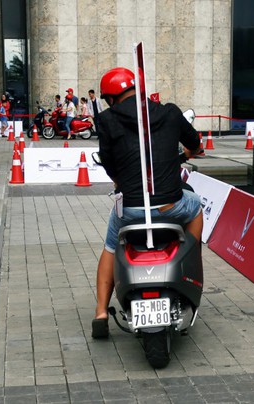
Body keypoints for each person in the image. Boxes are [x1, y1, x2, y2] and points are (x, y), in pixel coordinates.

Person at [91, 67, 203, 338]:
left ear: (110, 98)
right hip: (170, 206)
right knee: (196, 206)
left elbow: (108, 162)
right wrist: (189, 151)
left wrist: (119, 180)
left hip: (130, 209)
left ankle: (101, 312)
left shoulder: (105, 120)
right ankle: (186, 260)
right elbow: (195, 143)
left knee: (109, 245)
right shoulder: (170, 112)